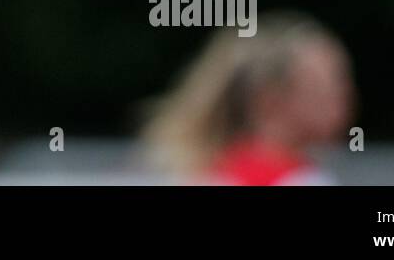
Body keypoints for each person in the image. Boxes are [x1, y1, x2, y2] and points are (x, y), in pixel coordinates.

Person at [138, 11, 356, 185]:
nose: (346, 96)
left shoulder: (199, 174)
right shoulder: (304, 181)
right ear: (270, 99)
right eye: (326, 87)